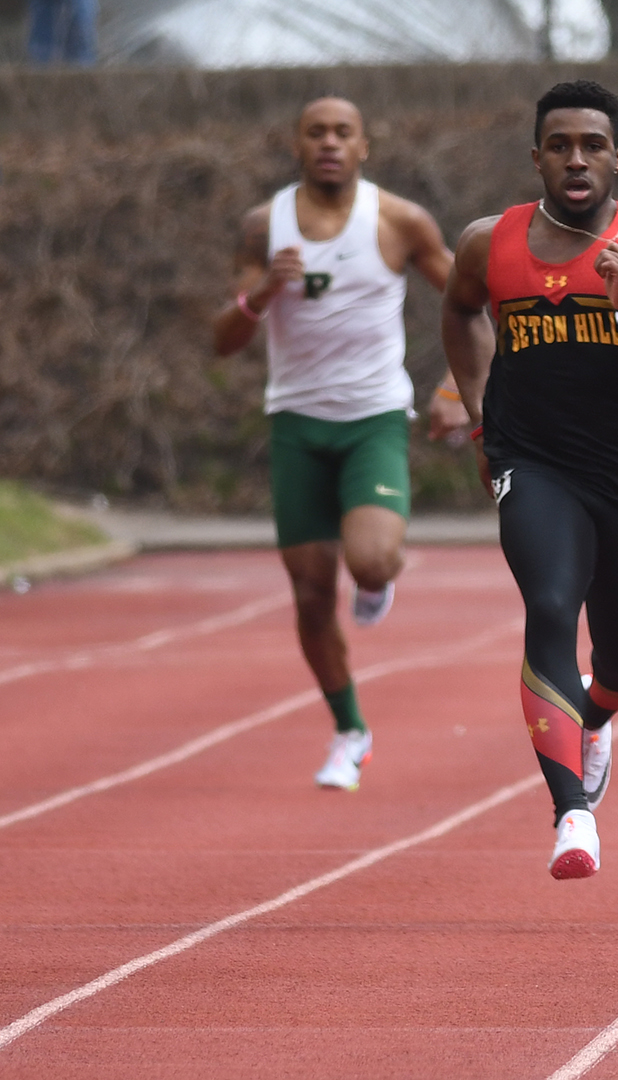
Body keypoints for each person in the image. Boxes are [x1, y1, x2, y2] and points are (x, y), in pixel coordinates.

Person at [441, 80, 618, 880]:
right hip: (532, 464)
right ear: (537, 157)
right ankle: (572, 814)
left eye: (593, 145)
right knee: (551, 605)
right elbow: (459, 311)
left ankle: (592, 715)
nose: (576, 159)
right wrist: (480, 414)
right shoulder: (488, 243)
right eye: (559, 145)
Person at [213, 97, 453, 792]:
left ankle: (377, 581)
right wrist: (262, 293)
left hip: (373, 417)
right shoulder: (264, 226)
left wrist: (459, 384)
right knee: (312, 595)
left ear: (363, 146)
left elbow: (470, 298)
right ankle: (350, 731)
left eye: (342, 132)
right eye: (315, 132)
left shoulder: (400, 220)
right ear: (296, 145)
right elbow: (223, 340)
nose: (328, 143)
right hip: (296, 422)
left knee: (371, 560)